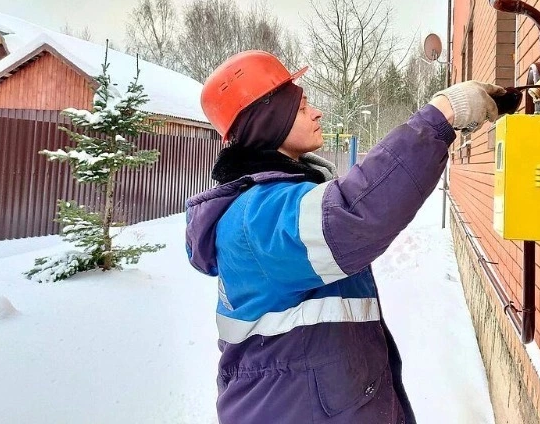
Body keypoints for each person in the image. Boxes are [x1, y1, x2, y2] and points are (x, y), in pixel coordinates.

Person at [186, 50, 505, 424]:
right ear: (270, 121)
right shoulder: (257, 216)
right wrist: (440, 117)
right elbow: (352, 214)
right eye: (302, 106)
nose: (317, 112)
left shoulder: (271, 201)